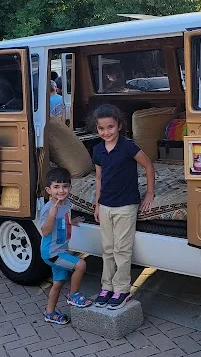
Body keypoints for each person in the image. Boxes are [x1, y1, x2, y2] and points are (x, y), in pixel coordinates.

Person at [91, 104, 155, 310]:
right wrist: (97, 204)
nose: (106, 132)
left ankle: (122, 290)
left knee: (122, 249)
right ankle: (106, 287)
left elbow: (148, 165)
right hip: (106, 205)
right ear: (97, 129)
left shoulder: (128, 146)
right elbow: (99, 177)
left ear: (119, 126)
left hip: (126, 205)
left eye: (110, 127)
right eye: (101, 128)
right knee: (107, 249)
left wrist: (150, 193)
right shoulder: (98, 150)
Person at [39, 168, 92, 325]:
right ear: (49, 190)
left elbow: (65, 217)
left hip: (61, 250)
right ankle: (73, 295)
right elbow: (45, 231)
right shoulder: (48, 209)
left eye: (65, 186)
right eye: (56, 187)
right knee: (80, 264)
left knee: (58, 283)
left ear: (70, 187)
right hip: (51, 253)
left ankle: (50, 313)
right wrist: (51, 215)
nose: (61, 190)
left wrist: (72, 222)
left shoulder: (66, 202)